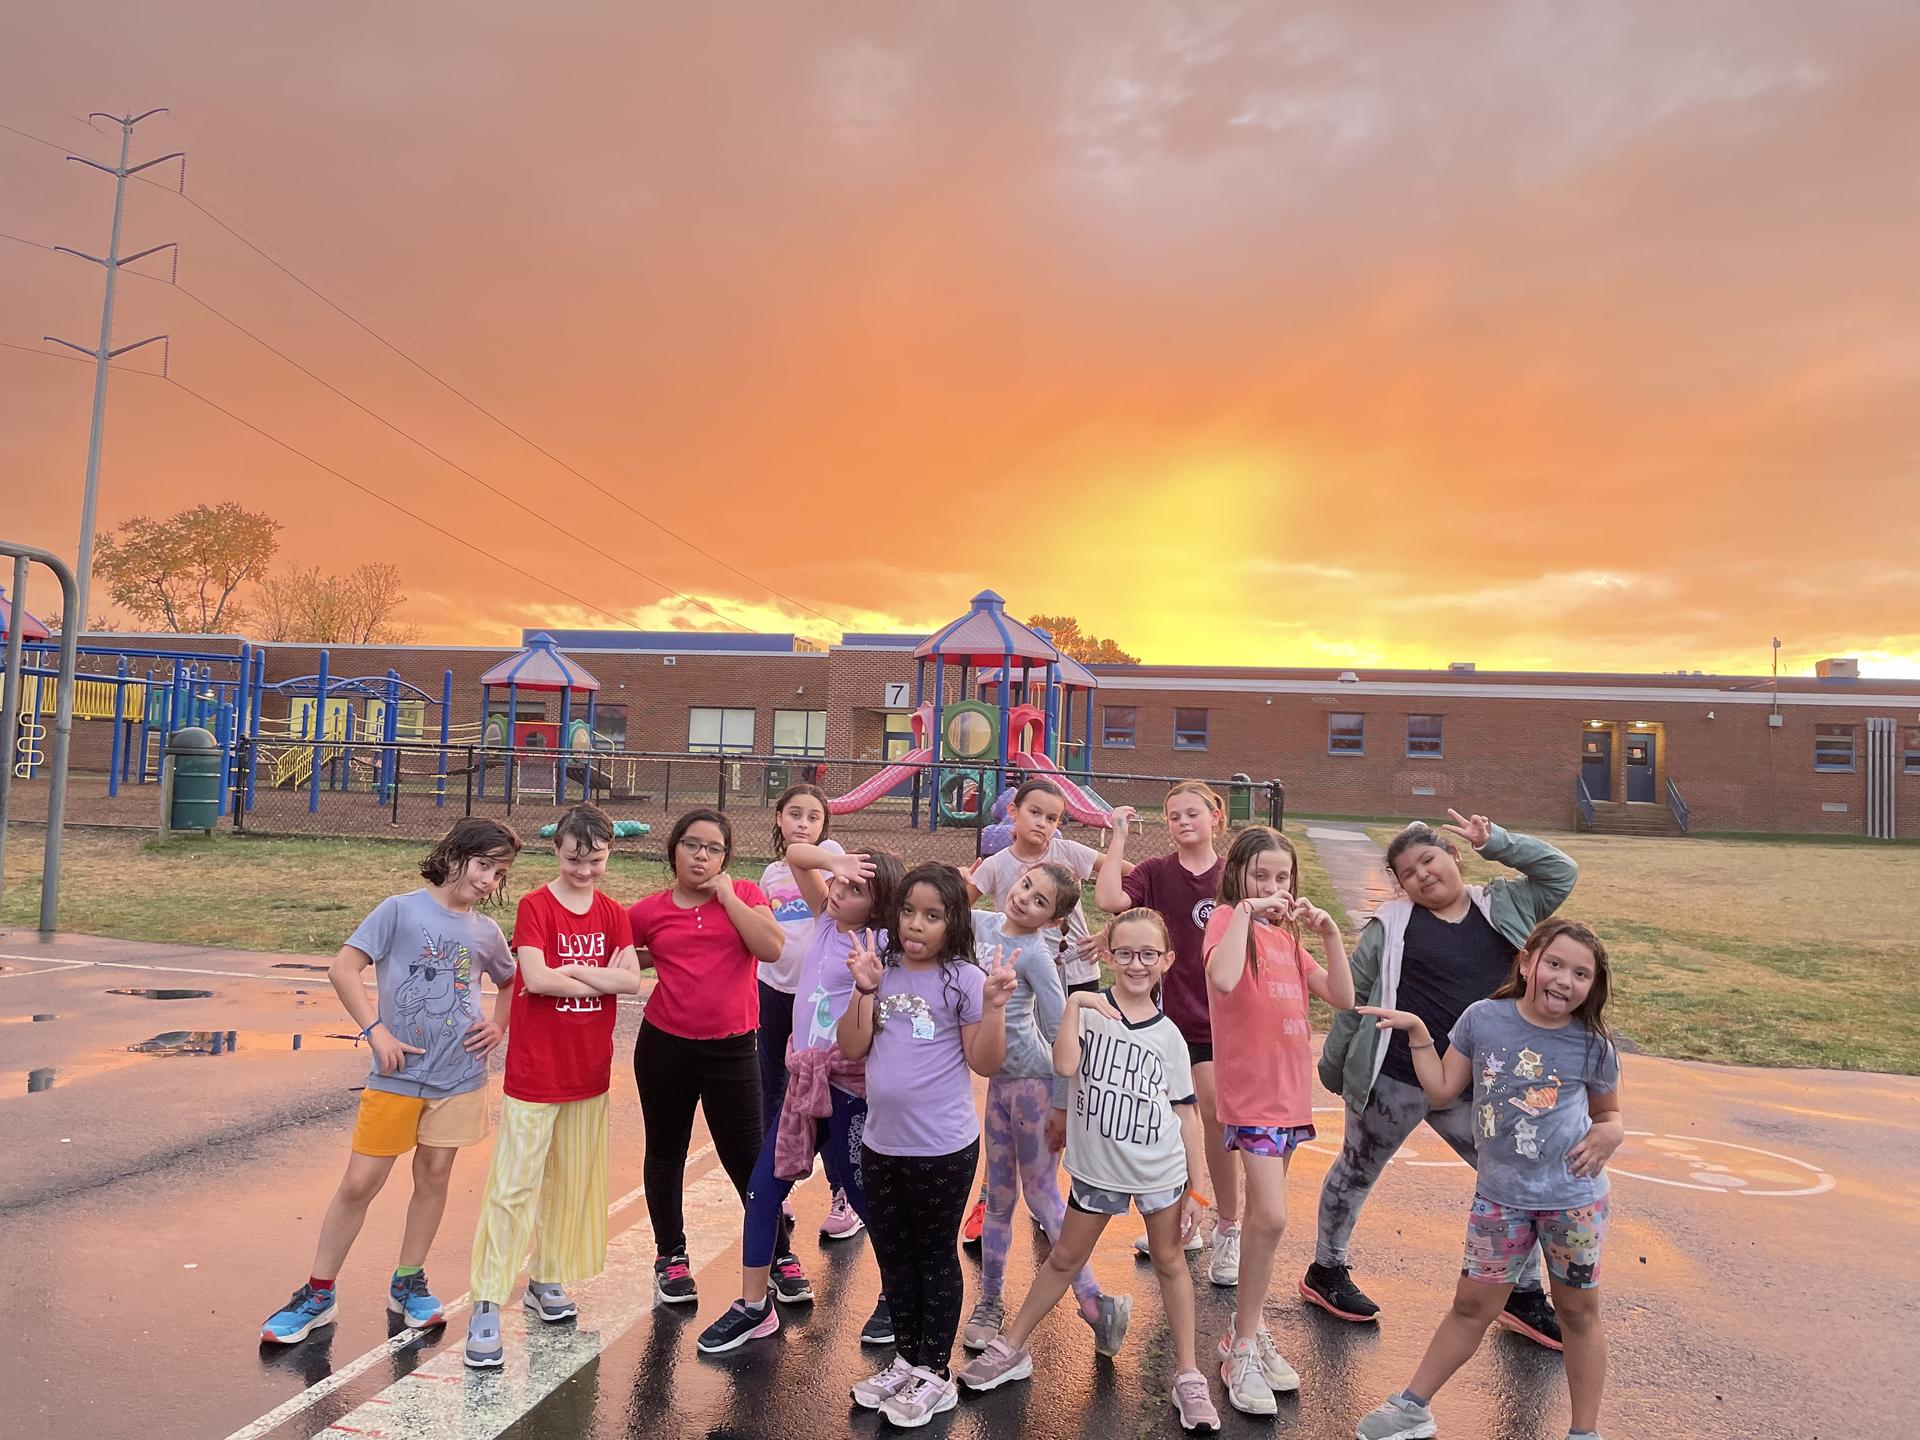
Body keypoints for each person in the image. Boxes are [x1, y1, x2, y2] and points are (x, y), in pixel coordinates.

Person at [1305, 810, 1578, 1350]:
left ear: (1452, 857)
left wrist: (1496, 840)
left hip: (1481, 1084)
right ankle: (1326, 1271)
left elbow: (1561, 873)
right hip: (1396, 1078)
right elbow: (1352, 1001)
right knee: (1356, 1170)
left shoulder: (1505, 904)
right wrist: (1335, 1069)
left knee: (1512, 1182)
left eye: (1428, 859)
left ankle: (1522, 1297)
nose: (1421, 875)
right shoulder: (1389, 927)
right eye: (1407, 872)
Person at [1353, 918, 1622, 1440]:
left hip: (1573, 1203)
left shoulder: (1592, 1044)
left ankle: (1584, 1432)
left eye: (1581, 974)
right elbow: (1441, 1090)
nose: (1565, 980)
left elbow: (1609, 1116)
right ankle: (1413, 1407)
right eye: (1555, 964)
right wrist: (1419, 1035)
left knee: (1578, 1315)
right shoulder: (1483, 1019)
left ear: (1593, 986)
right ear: (1527, 963)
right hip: (1501, 1200)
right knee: (1471, 1306)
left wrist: (1612, 1135)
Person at [955, 909, 1222, 1434]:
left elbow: (1187, 1113)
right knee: (1064, 1258)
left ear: (1167, 960)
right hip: (1097, 1173)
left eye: (1149, 954)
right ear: (1107, 955)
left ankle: (1189, 1375)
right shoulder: (1089, 1011)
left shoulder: (1170, 1036)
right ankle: (1012, 1349)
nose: (1137, 963)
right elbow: (1063, 1065)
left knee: (1170, 1264)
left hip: (1158, 1173)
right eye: (1124, 952)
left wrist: (1198, 1189)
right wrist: (1077, 1000)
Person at [260, 818, 521, 1346]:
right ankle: (318, 1293)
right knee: (360, 1183)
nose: (491, 880)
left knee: (434, 1176)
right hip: (396, 1077)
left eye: (500, 872)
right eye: (484, 865)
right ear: (454, 856)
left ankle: (408, 1282)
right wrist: (375, 1031)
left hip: (460, 1078)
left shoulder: (485, 932)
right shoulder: (399, 910)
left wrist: (499, 1024)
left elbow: (510, 981)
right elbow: (343, 969)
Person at [696, 844, 904, 1355]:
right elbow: (795, 855)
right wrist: (838, 864)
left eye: (856, 889)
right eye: (838, 881)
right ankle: (753, 1307)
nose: (838, 889)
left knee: (863, 1198)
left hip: (847, 1090)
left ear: (878, 906)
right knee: (762, 1189)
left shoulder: (879, 944)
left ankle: (900, 1295)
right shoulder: (826, 921)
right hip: (802, 1085)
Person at [837, 864, 1016, 1428]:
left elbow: (985, 1062)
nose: (916, 925)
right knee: (893, 1253)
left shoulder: (962, 978)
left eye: (932, 915)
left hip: (941, 1147)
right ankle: (908, 1359)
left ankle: (935, 1375)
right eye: (909, 911)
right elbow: (852, 1045)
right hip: (881, 1142)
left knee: (933, 1254)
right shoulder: (880, 968)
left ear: (952, 922)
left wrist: (993, 1006)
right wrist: (863, 989)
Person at [465, 804, 641, 1368]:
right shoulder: (536, 906)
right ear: (556, 850)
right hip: (536, 1072)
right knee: (514, 1186)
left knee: (571, 1185)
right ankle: (488, 1301)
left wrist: (584, 976)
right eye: (573, 858)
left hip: (589, 1073)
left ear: (608, 854)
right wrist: (600, 976)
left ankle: (548, 1279)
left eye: (594, 860)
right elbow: (534, 979)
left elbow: (633, 981)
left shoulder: (615, 914)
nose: (584, 870)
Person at [1201, 826, 1354, 1415]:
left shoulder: (1288, 942)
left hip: (1291, 1099)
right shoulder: (1226, 923)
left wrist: (1331, 933)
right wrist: (1243, 908)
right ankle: (1241, 1344)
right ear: (1238, 875)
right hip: (1253, 1097)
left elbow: (1341, 996)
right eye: (1259, 875)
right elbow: (1222, 977)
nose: (1272, 887)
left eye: (1282, 877)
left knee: (1267, 1227)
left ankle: (1250, 1329)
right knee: (1270, 1217)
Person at [961, 862, 1129, 1359]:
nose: (1025, 899)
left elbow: (1061, 1028)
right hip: (998, 1086)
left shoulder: (1035, 954)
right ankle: (989, 1302)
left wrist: (1061, 1106)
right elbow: (951, 911)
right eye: (1026, 885)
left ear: (1053, 920)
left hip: (1035, 1088)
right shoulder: (982, 923)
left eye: (1040, 902)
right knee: (997, 1198)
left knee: (1041, 1196)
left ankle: (1095, 1302)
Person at [629, 808, 788, 1307]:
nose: (701, 855)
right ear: (673, 849)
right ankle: (670, 1255)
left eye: (714, 848)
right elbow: (618, 957)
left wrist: (725, 895)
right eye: (692, 845)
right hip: (664, 1045)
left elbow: (771, 948)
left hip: (733, 1047)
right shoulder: (648, 912)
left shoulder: (744, 894)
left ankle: (778, 1254)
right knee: (665, 1151)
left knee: (747, 1158)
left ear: (726, 857)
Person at [959, 778, 1124, 1244]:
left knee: (1070, 1076)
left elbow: (1129, 879)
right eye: (1035, 813)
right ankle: (994, 1193)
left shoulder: (1069, 852)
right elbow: (957, 912)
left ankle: (1054, 1183)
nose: (1044, 824)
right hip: (1016, 986)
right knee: (1013, 1090)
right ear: (1013, 812)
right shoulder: (997, 865)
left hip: (1075, 979)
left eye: (1053, 817)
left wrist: (1111, 931)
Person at [1094, 784, 1238, 1277]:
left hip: (1224, 1019)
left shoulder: (1230, 874)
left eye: (1192, 813)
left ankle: (1229, 1228)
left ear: (1216, 817)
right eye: (1173, 816)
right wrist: (1116, 839)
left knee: (1213, 1112)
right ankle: (1187, 1222)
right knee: (1175, 1121)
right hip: (1171, 1021)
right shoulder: (1156, 871)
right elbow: (1110, 897)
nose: (1182, 822)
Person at [756, 784, 862, 1243]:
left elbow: (810, 857)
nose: (802, 823)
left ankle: (842, 1193)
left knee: (831, 1099)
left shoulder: (833, 861)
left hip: (822, 1002)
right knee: (777, 1092)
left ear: (825, 826)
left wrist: (832, 861)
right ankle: (780, 1182)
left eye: (813, 816)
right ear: (778, 817)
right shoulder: (769, 874)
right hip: (776, 991)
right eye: (794, 813)